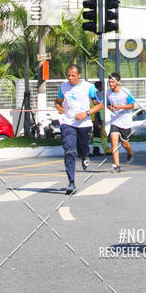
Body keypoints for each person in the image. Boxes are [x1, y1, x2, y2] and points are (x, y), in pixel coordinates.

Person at [54, 64, 103, 195]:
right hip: (67, 122)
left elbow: (100, 105)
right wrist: (59, 107)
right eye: (68, 76)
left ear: (79, 75)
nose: (70, 78)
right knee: (69, 150)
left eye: (73, 76)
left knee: (83, 148)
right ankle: (71, 183)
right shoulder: (63, 87)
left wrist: (86, 113)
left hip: (84, 123)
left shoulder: (89, 87)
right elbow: (58, 101)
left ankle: (85, 155)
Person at [106, 72, 136, 172]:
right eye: (109, 82)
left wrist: (121, 107)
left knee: (124, 144)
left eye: (113, 82)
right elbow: (108, 104)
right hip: (114, 120)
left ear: (118, 82)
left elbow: (132, 105)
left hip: (125, 121)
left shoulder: (125, 92)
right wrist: (110, 107)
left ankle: (130, 152)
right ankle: (117, 166)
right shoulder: (108, 93)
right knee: (114, 144)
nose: (111, 84)